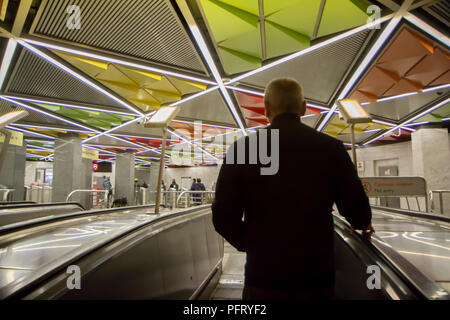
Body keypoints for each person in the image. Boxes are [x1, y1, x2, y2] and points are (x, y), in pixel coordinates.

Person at [212, 78, 373, 300]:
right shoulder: (331, 148)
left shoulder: (244, 148)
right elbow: (359, 213)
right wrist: (363, 222)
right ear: (304, 107)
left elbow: (222, 216)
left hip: (263, 277)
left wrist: (252, 244)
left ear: (266, 109)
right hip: (316, 277)